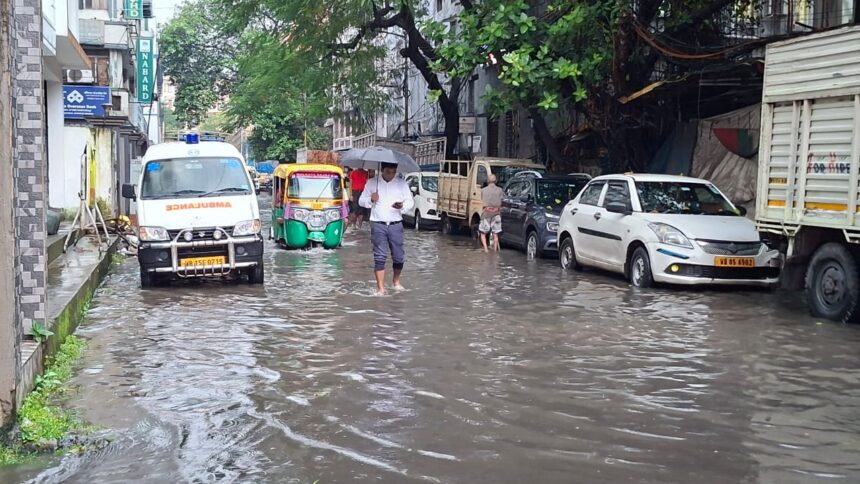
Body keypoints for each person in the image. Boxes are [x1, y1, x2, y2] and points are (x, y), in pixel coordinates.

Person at [359, 163, 414, 295]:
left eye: (393, 172)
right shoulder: (372, 183)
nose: (391, 174)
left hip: (396, 223)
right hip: (378, 223)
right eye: (388, 171)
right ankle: (381, 288)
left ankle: (396, 281)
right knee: (380, 256)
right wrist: (371, 199)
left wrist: (402, 206)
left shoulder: (401, 184)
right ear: (382, 170)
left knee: (399, 256)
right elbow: (361, 201)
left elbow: (410, 202)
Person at [479, 174, 504, 253]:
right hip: (496, 213)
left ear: (487, 181)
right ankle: (495, 250)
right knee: (495, 233)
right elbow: (503, 200)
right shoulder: (500, 190)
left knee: (483, 233)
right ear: (495, 181)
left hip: (486, 213)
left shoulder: (483, 190)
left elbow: (482, 200)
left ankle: (486, 250)